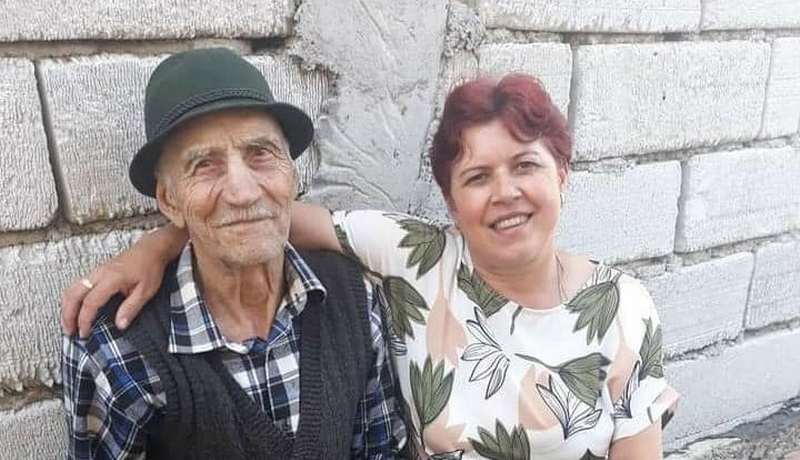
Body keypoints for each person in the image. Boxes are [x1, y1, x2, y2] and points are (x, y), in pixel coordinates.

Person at [63, 72, 678, 459]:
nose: (505, 194)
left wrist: (175, 230)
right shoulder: (416, 258)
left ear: (562, 173)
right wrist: (160, 244)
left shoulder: (624, 308)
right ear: (450, 201)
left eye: (526, 166)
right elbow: (262, 219)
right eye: (477, 177)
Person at [61, 47, 405, 459]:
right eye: (205, 165)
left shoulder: (352, 298)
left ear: (292, 175)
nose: (243, 192)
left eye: (261, 154)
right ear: (169, 201)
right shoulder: (116, 347)